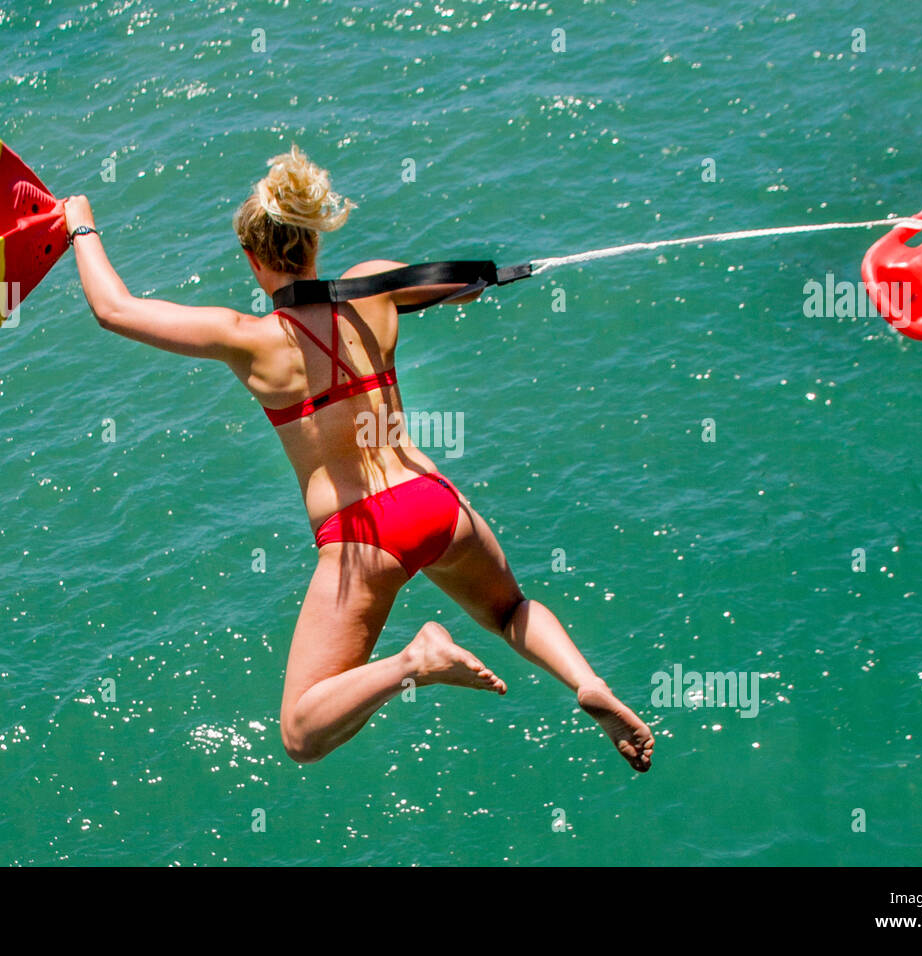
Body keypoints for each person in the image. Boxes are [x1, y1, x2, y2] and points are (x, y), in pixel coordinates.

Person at [63, 145, 654, 770]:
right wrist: (459, 281)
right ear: (313, 240)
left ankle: (415, 661)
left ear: (253, 258)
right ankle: (588, 682)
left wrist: (81, 223)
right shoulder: (374, 290)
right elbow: (464, 292)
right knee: (509, 609)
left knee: (300, 732)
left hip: (364, 535)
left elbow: (114, 310)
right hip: (436, 501)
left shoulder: (250, 339)